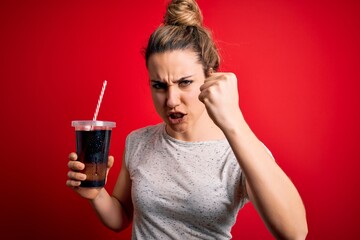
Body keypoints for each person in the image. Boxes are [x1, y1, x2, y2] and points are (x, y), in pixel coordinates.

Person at [66, 0, 308, 239]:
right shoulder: (138, 141)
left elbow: (295, 232)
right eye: (159, 86)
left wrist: (234, 121)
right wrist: (96, 194)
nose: (171, 100)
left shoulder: (238, 151)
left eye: (185, 82)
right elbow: (120, 217)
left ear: (210, 76)